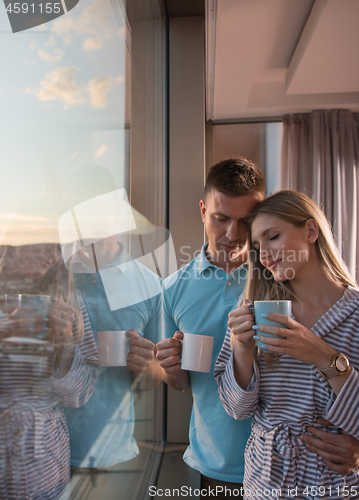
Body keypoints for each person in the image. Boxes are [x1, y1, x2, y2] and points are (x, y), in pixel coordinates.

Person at [215, 190, 359, 499]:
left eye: (273, 236)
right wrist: (241, 349)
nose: (263, 253)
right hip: (264, 487)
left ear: (310, 231)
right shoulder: (254, 310)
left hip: (333, 489)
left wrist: (325, 358)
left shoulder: (356, 315)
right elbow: (237, 410)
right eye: (256, 245)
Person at [156, 158, 265, 498]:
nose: (233, 234)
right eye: (221, 218)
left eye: (245, 220)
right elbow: (179, 382)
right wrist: (171, 368)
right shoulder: (173, 289)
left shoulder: (281, 277)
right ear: (203, 210)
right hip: (217, 465)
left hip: (287, 461)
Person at [61, 165, 162, 469]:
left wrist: (145, 366)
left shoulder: (148, 285)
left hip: (115, 459)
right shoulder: (49, 278)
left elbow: (155, 377)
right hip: (44, 455)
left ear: (118, 211)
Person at [0, 257, 100, 500]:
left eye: (57, 242)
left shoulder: (69, 299)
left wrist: (65, 343)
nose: (52, 251)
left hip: (44, 471)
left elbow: (81, 394)